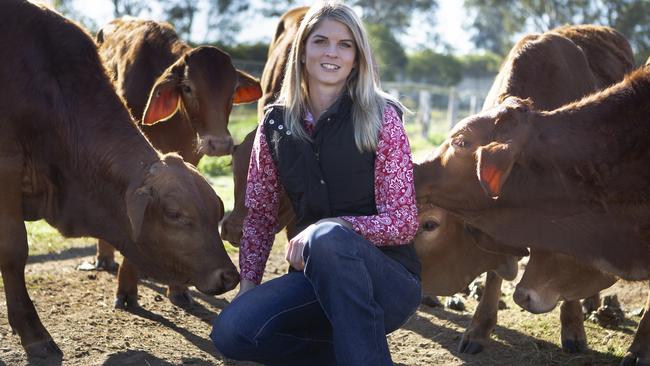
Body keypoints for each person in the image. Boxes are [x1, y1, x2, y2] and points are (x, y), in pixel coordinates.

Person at [210, 2, 421, 365]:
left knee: (328, 239)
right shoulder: (274, 127)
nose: (331, 52)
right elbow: (260, 217)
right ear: (302, 51)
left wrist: (333, 227)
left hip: (388, 281)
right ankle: (351, 351)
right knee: (233, 331)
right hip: (316, 280)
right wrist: (248, 285)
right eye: (320, 41)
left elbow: (403, 222)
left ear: (357, 57)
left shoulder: (382, 118)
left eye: (345, 44)